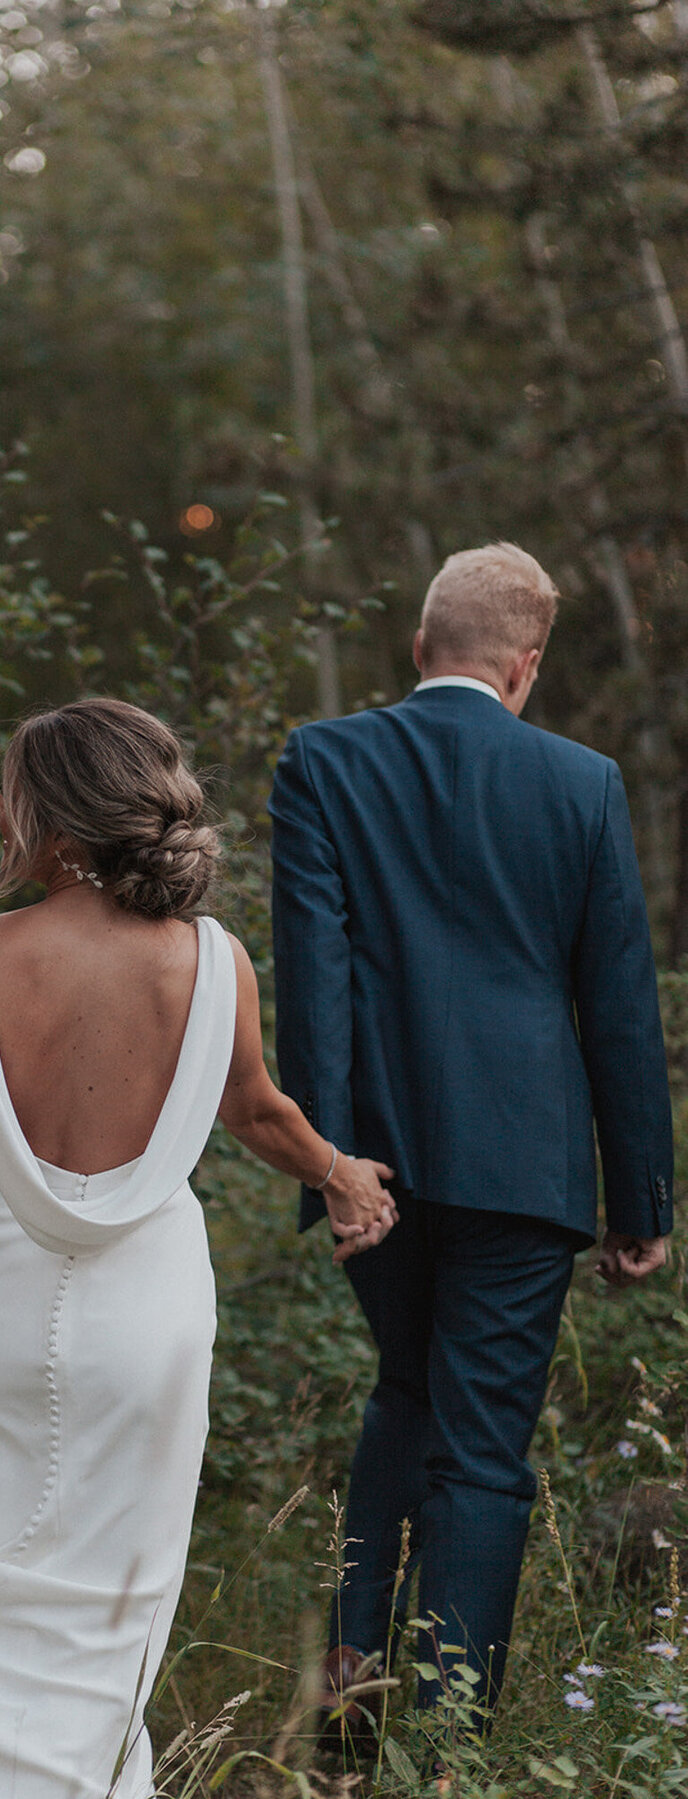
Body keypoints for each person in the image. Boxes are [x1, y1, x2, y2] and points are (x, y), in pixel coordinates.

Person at [0, 697, 396, 1799]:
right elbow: (257, 1108)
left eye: (12, 791)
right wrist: (341, 1170)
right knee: (113, 1609)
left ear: (61, 824)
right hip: (148, 1326)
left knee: (1, 1576)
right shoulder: (213, 960)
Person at [269, 542, 674, 1727]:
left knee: (405, 1391)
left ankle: (351, 1670)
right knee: (484, 1444)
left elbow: (315, 978)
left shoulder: (324, 760)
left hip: (374, 1160)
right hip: (525, 1167)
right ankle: (445, 1730)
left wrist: (331, 1165)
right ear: (524, 667)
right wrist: (641, 1200)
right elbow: (619, 1001)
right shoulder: (582, 781)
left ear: (418, 648)